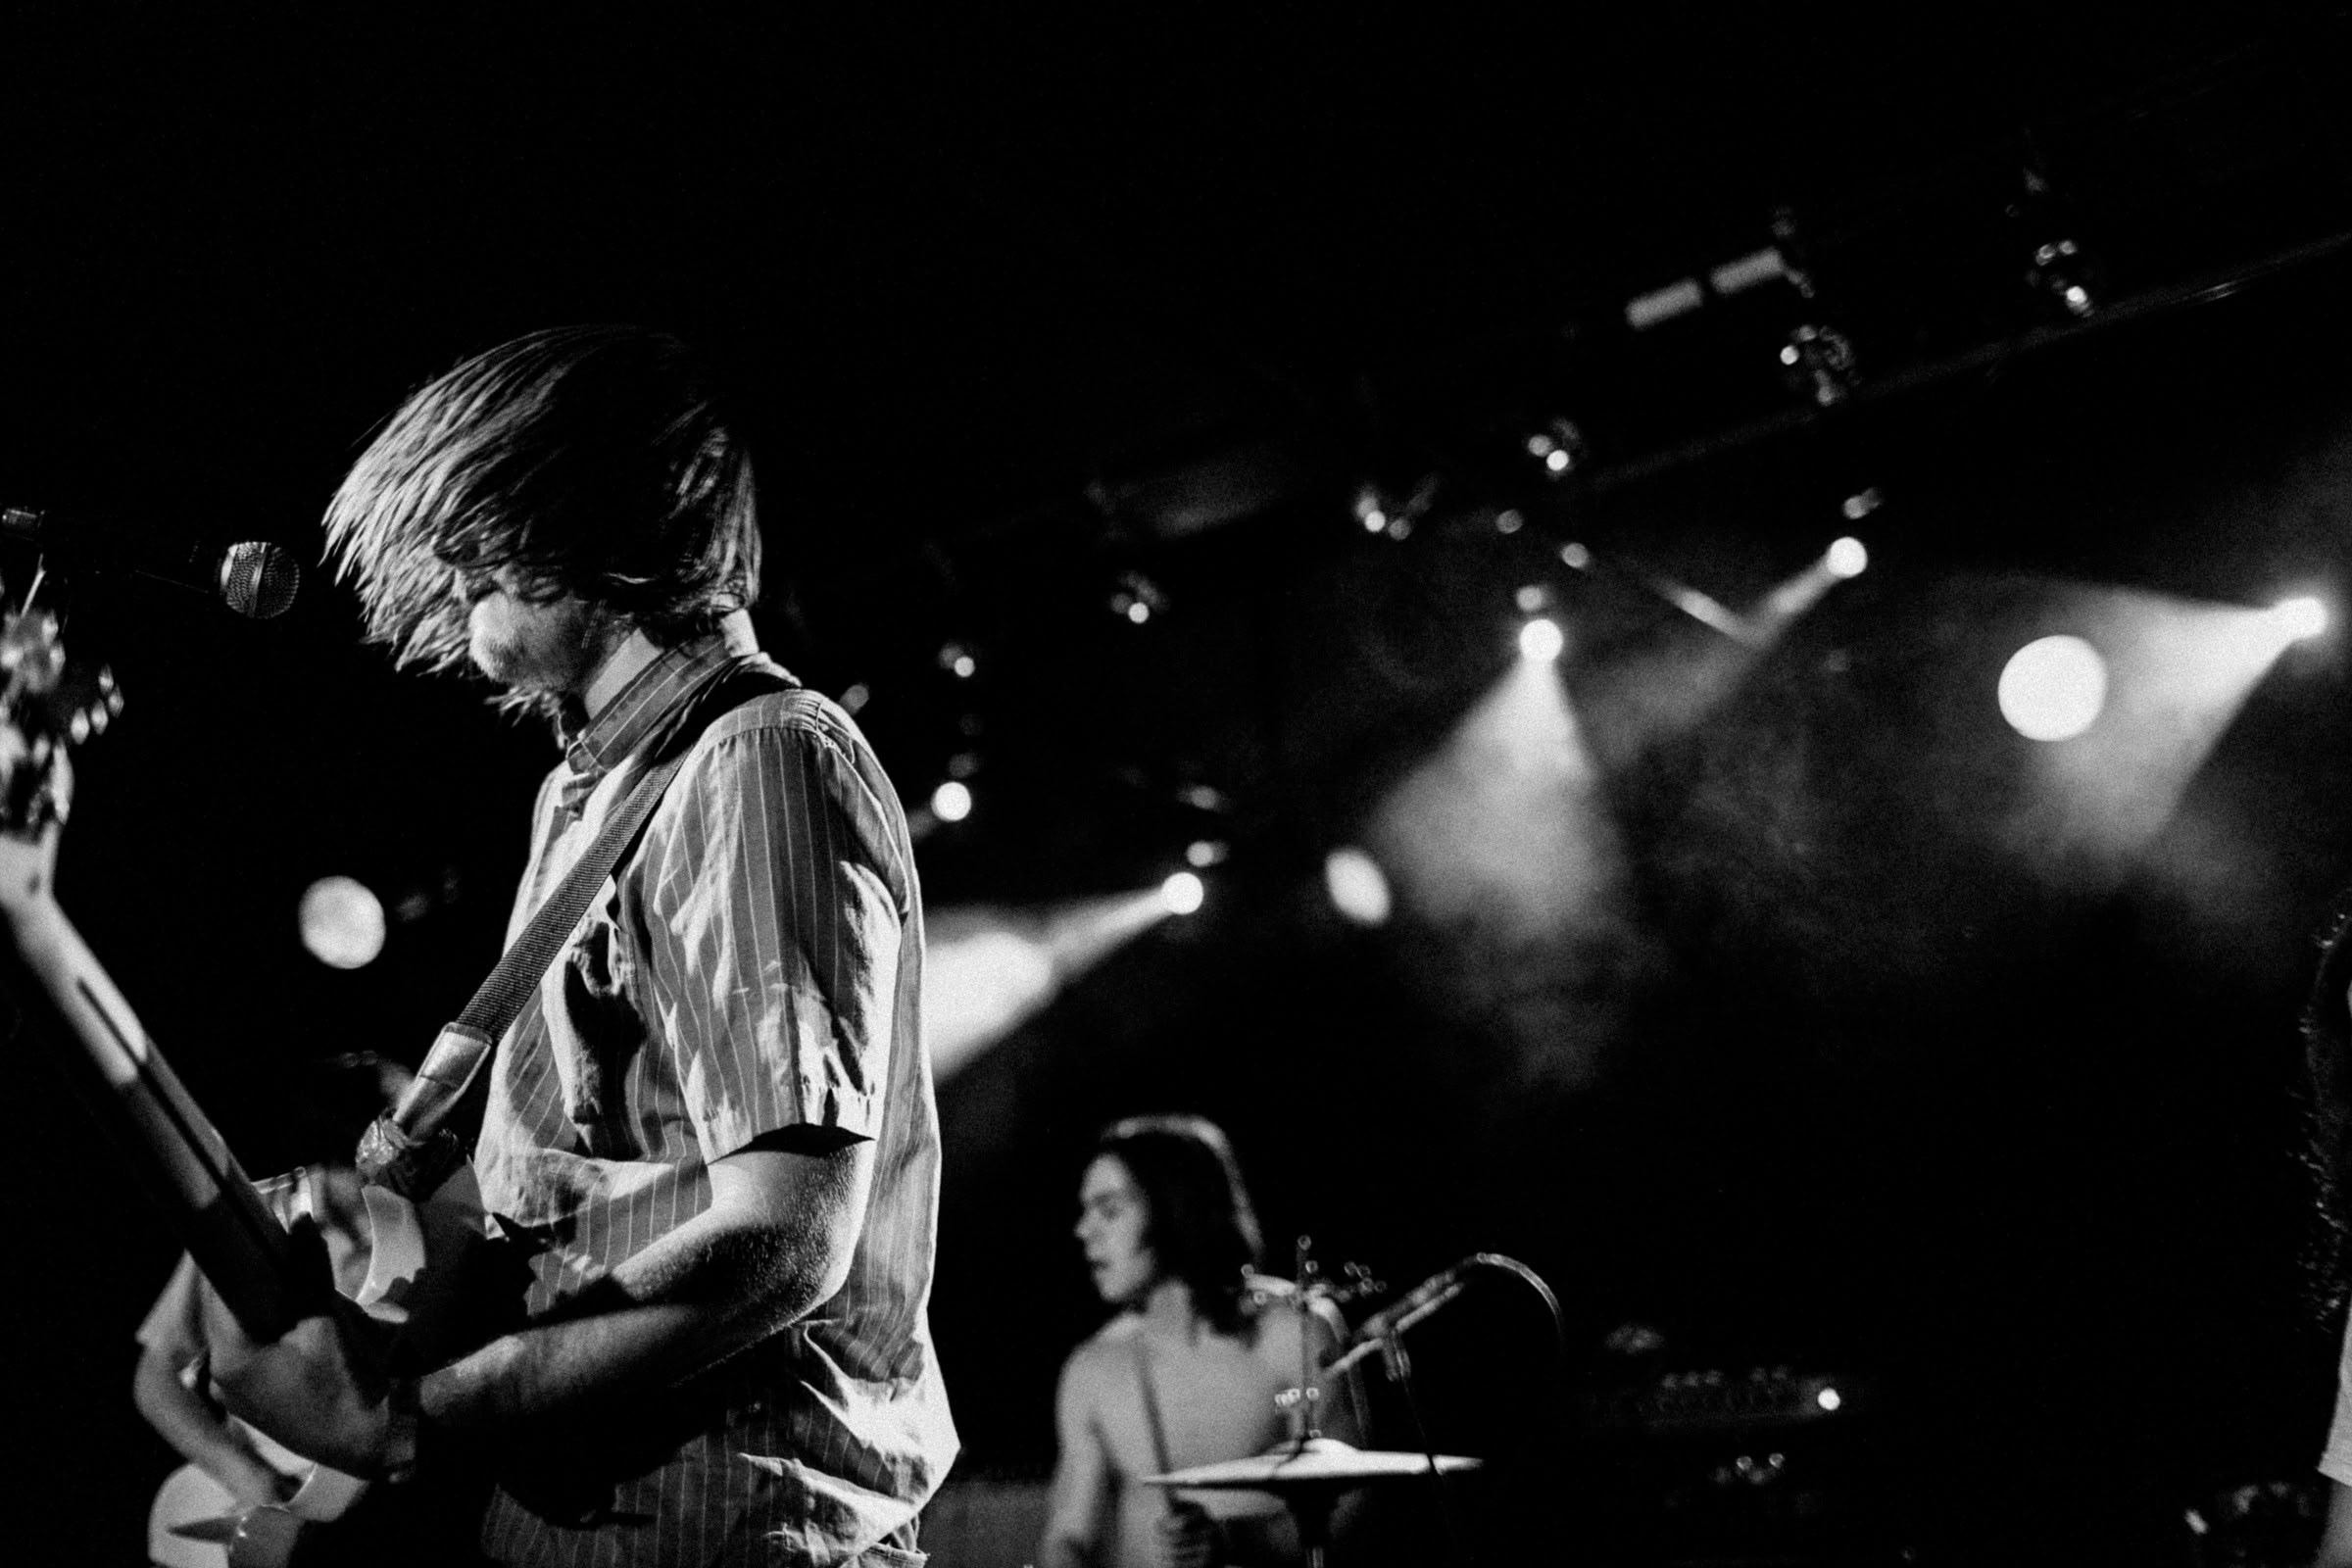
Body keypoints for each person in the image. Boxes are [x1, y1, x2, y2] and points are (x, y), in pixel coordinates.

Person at [199, 324, 956, 1566]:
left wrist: (408, 1428)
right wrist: (373, 1228)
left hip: (732, 1525)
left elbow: (789, 1239)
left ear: (603, 511)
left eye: (480, 517)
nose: (447, 562)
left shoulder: (758, 755)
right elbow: (591, 1193)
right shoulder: (586, 796)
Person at [1039, 1114, 1366, 1568]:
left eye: (1109, 1210)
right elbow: (1069, 1538)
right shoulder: (1094, 1367)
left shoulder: (1292, 1331)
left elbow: (1353, 1505)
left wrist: (1237, 1545)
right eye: (1085, 1210)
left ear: (1176, 1207)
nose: (1084, 1230)